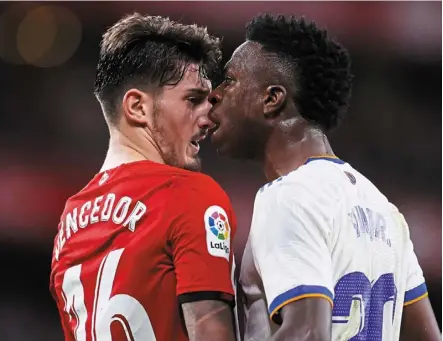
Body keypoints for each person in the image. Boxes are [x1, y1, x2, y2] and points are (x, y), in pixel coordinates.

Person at [208, 13, 440, 341]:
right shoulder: (386, 212)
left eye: (229, 80)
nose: (214, 95)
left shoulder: (288, 196)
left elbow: (307, 332)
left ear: (272, 99)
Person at [50, 13, 238, 341]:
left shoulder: (69, 222)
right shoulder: (190, 194)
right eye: (193, 100)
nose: (208, 118)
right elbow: (210, 329)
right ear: (137, 107)